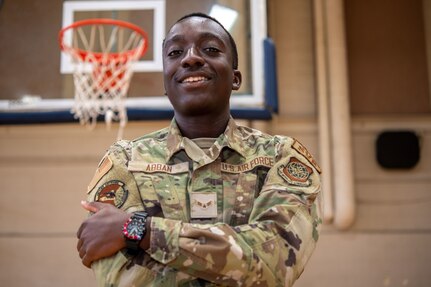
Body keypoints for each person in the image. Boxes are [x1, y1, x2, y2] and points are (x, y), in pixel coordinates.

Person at [77, 12, 322, 287]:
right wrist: (232, 256)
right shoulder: (125, 160)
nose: (190, 58)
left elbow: (272, 263)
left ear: (235, 78)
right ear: (165, 83)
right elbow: (123, 278)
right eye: (175, 52)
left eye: (211, 49)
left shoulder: (280, 156)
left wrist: (141, 231)